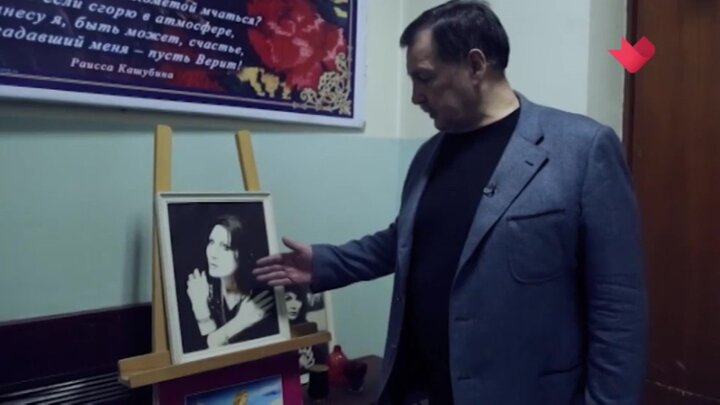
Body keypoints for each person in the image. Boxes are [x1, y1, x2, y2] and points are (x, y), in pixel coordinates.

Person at [253, 1, 647, 404]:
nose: (415, 97)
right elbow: (404, 240)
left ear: (476, 66)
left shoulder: (582, 150)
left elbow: (618, 310)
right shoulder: (428, 155)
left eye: (424, 78)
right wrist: (324, 263)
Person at [184, 214, 278, 352]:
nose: (213, 253)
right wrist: (201, 311)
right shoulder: (202, 289)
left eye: (225, 247)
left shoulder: (260, 297)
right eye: (211, 242)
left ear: (244, 252)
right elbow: (203, 353)